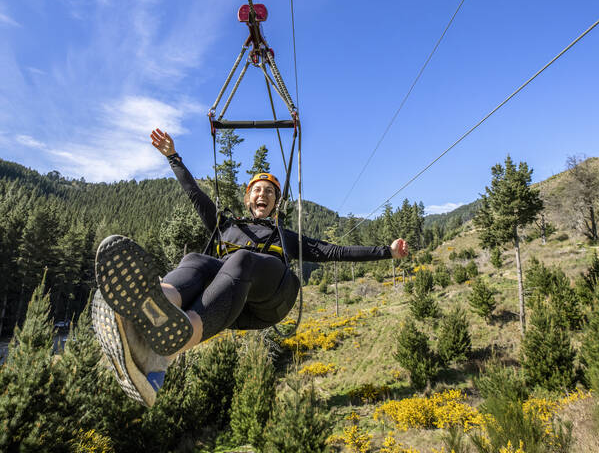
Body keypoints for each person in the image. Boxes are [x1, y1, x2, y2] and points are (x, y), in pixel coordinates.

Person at [92, 128, 409, 406]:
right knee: (196, 260)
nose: (263, 194)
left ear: (275, 203)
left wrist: (387, 251)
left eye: (270, 192)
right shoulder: (225, 227)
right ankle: (155, 305)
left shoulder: (282, 234)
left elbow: (333, 251)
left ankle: (174, 345)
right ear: (248, 199)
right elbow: (194, 194)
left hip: (273, 299)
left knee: (239, 259)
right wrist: (173, 156)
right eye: (257, 189)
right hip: (229, 302)